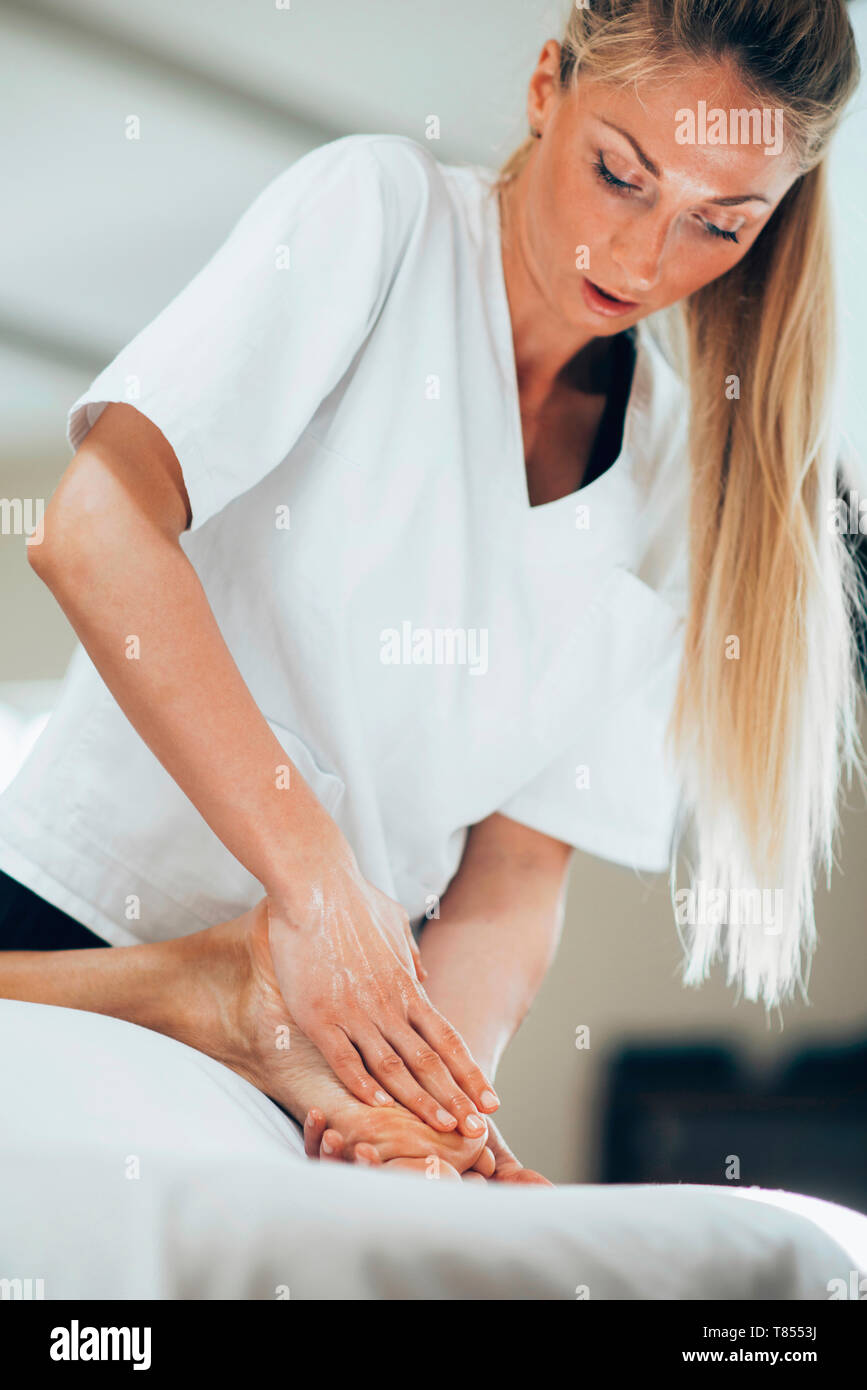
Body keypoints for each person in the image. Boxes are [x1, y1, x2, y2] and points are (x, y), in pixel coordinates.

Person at [0, 0, 861, 1181]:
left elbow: (512, 880)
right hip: (76, 910)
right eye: (621, 174)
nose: (643, 259)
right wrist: (317, 884)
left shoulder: (675, 489)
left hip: (324, 1042)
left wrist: (439, 1103)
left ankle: (236, 1001)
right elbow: (95, 529)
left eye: (719, 225)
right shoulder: (381, 218)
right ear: (546, 87)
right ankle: (185, 986)